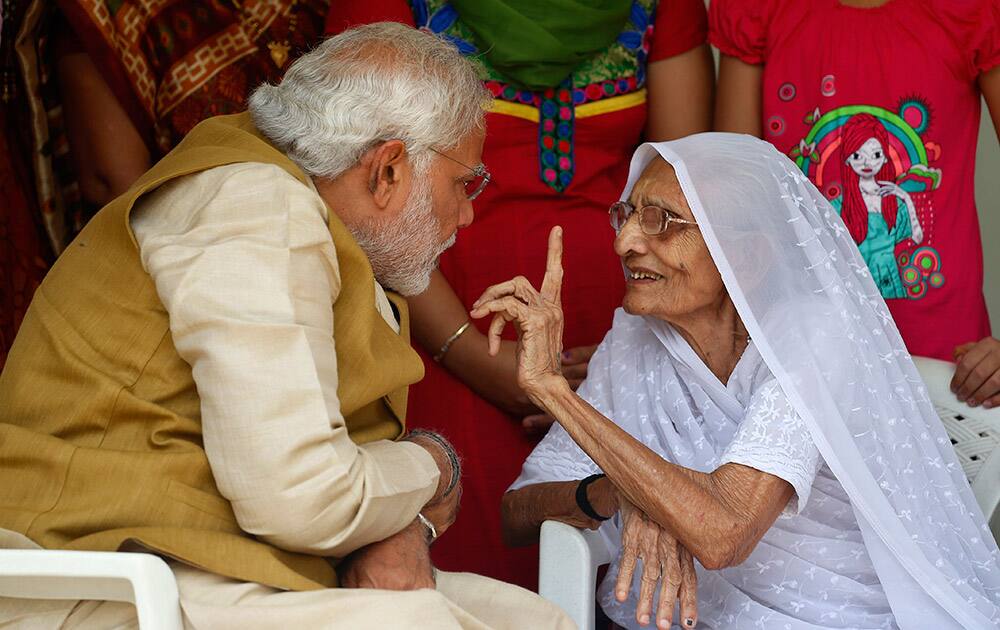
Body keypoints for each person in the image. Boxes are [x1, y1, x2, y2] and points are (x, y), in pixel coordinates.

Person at [0, 23, 571, 629]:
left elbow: (319, 483)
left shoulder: (316, 219)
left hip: (212, 561)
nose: (468, 212)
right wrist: (433, 464)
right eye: (465, 183)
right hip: (92, 575)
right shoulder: (256, 205)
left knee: (536, 620)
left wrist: (401, 523)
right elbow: (303, 497)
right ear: (388, 171)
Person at [484, 135, 1000, 629]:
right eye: (627, 215)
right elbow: (517, 514)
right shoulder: (635, 337)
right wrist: (614, 491)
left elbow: (723, 531)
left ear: (745, 256)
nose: (624, 242)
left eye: (660, 221)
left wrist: (552, 388)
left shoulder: (815, 335)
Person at [326, 0, 715, 589]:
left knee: (625, 573)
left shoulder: (662, 7)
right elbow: (361, 194)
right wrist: (475, 355)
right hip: (439, 346)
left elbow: (687, 189)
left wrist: (630, 356)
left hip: (621, 349)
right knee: (457, 575)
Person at [712, 0, 1000, 410]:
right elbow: (732, 204)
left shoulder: (971, 9)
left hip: (952, 369)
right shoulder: (759, 9)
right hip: (796, 360)